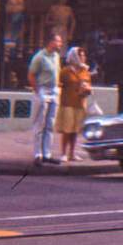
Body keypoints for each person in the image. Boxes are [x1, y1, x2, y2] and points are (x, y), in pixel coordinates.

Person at [28, 31, 63, 166]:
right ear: (51, 42)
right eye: (58, 41)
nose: (60, 44)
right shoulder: (40, 57)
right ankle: (38, 154)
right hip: (43, 89)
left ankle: (47, 153)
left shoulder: (56, 56)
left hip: (54, 90)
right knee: (39, 123)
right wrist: (38, 91)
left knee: (50, 123)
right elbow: (31, 75)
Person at [55, 46, 92, 162]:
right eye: (81, 56)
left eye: (84, 56)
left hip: (80, 103)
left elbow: (89, 84)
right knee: (67, 129)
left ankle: (72, 152)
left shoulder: (85, 71)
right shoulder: (65, 71)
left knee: (75, 130)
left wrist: (87, 89)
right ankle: (63, 153)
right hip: (67, 103)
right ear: (75, 57)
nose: (83, 58)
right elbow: (59, 84)